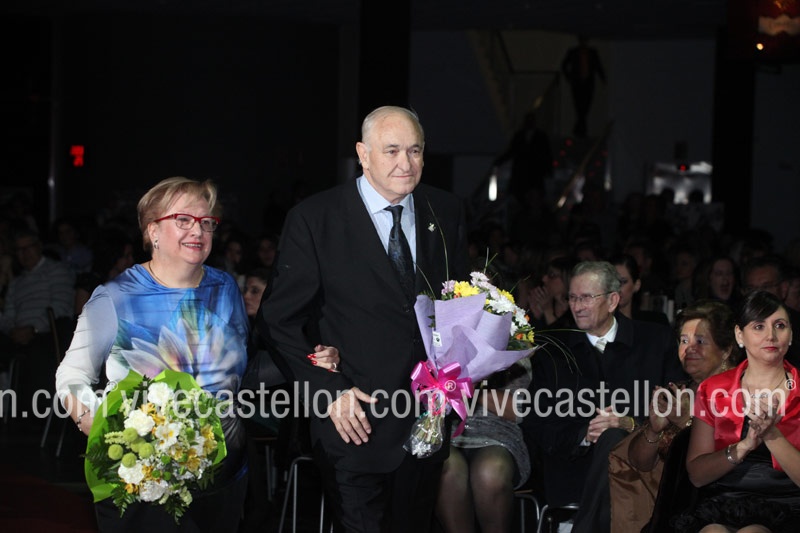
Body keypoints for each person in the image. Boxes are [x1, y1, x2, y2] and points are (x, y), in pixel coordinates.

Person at [256, 105, 469, 532]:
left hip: (426, 423)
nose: (405, 163)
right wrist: (326, 390)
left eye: (415, 150)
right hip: (354, 422)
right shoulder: (315, 219)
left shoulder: (445, 211)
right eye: (391, 150)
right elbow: (278, 321)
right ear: (363, 153)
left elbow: (457, 303)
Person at [55, 177, 249, 532]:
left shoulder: (226, 288)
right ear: (153, 231)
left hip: (223, 479)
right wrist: (101, 428)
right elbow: (72, 376)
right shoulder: (115, 297)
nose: (198, 230)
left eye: (206, 222)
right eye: (183, 220)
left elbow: (239, 373)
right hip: (147, 484)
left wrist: (316, 359)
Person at [522, 261, 685, 533]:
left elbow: (678, 414)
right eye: (572, 298)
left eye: (586, 297)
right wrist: (585, 434)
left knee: (614, 434)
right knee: (608, 436)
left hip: (646, 470)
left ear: (612, 301)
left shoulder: (655, 341)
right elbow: (537, 425)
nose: (577, 306)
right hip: (577, 475)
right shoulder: (554, 352)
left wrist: (630, 424)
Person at [608, 300, 740, 533]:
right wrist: (654, 429)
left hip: (724, 507)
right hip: (673, 511)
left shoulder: (739, 393)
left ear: (726, 349)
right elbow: (638, 464)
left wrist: (684, 423)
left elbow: (732, 461)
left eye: (700, 341)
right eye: (683, 341)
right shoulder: (677, 392)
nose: (689, 349)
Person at [677, 290, 800, 532]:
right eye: (759, 327)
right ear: (739, 335)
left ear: (791, 335)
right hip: (724, 505)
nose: (771, 335)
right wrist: (743, 446)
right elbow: (697, 476)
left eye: (780, 325)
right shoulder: (712, 389)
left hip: (787, 507)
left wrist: (771, 435)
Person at [435, 358, 532, 532]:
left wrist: (468, 386)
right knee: (446, 466)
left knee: (490, 470)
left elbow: (517, 411)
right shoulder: (441, 348)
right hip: (448, 432)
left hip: (498, 434)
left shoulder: (515, 351)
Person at [0, 228, 76, 412]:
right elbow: (8, 314)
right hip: (17, 334)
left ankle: (37, 413)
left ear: (39, 247)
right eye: (19, 250)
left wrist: (33, 329)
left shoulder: (57, 270)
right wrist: (12, 330)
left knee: (38, 355)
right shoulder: (17, 282)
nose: (24, 253)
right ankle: (6, 409)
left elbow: (60, 306)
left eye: (28, 247)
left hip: (48, 332)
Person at [741, 254, 800, 367]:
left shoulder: (797, 325)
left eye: (766, 287)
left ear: (783, 288)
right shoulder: (738, 324)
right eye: (751, 289)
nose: (759, 295)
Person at [73, 227, 136, 315]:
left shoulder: (132, 282)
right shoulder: (88, 283)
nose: (131, 260)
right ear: (114, 256)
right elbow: (80, 318)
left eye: (131, 255)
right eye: (126, 256)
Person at [493, 110, 553, 199]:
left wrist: (548, 170)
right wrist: (499, 161)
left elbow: (546, 154)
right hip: (522, 173)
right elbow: (512, 151)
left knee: (532, 196)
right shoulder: (520, 135)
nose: (529, 123)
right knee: (521, 196)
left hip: (534, 173)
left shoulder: (540, 136)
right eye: (528, 121)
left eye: (531, 120)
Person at [561, 35, 606, 138]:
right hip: (577, 83)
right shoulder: (573, 52)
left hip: (588, 83)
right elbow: (564, 65)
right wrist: (569, 77)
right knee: (579, 106)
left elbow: (598, 66)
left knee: (586, 106)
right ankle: (581, 130)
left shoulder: (592, 53)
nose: (583, 42)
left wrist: (603, 78)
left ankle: (579, 129)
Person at [611, 253, 670, 326]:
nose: (617, 287)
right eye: (612, 281)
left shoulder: (655, 322)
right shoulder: (600, 323)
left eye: (623, 282)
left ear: (636, 285)